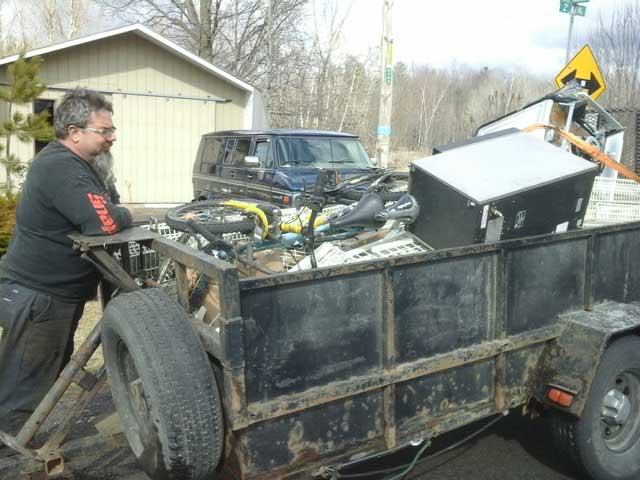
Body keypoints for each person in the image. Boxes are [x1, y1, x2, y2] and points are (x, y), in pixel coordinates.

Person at [0, 88, 132, 438]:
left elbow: (105, 204)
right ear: (74, 132)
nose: (111, 137)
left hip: (50, 295)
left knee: (46, 370)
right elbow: (104, 221)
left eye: (112, 130)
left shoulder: (80, 167)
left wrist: (113, 205)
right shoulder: (61, 167)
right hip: (37, 296)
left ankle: (21, 439)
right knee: (23, 387)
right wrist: (125, 213)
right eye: (104, 131)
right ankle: (14, 457)